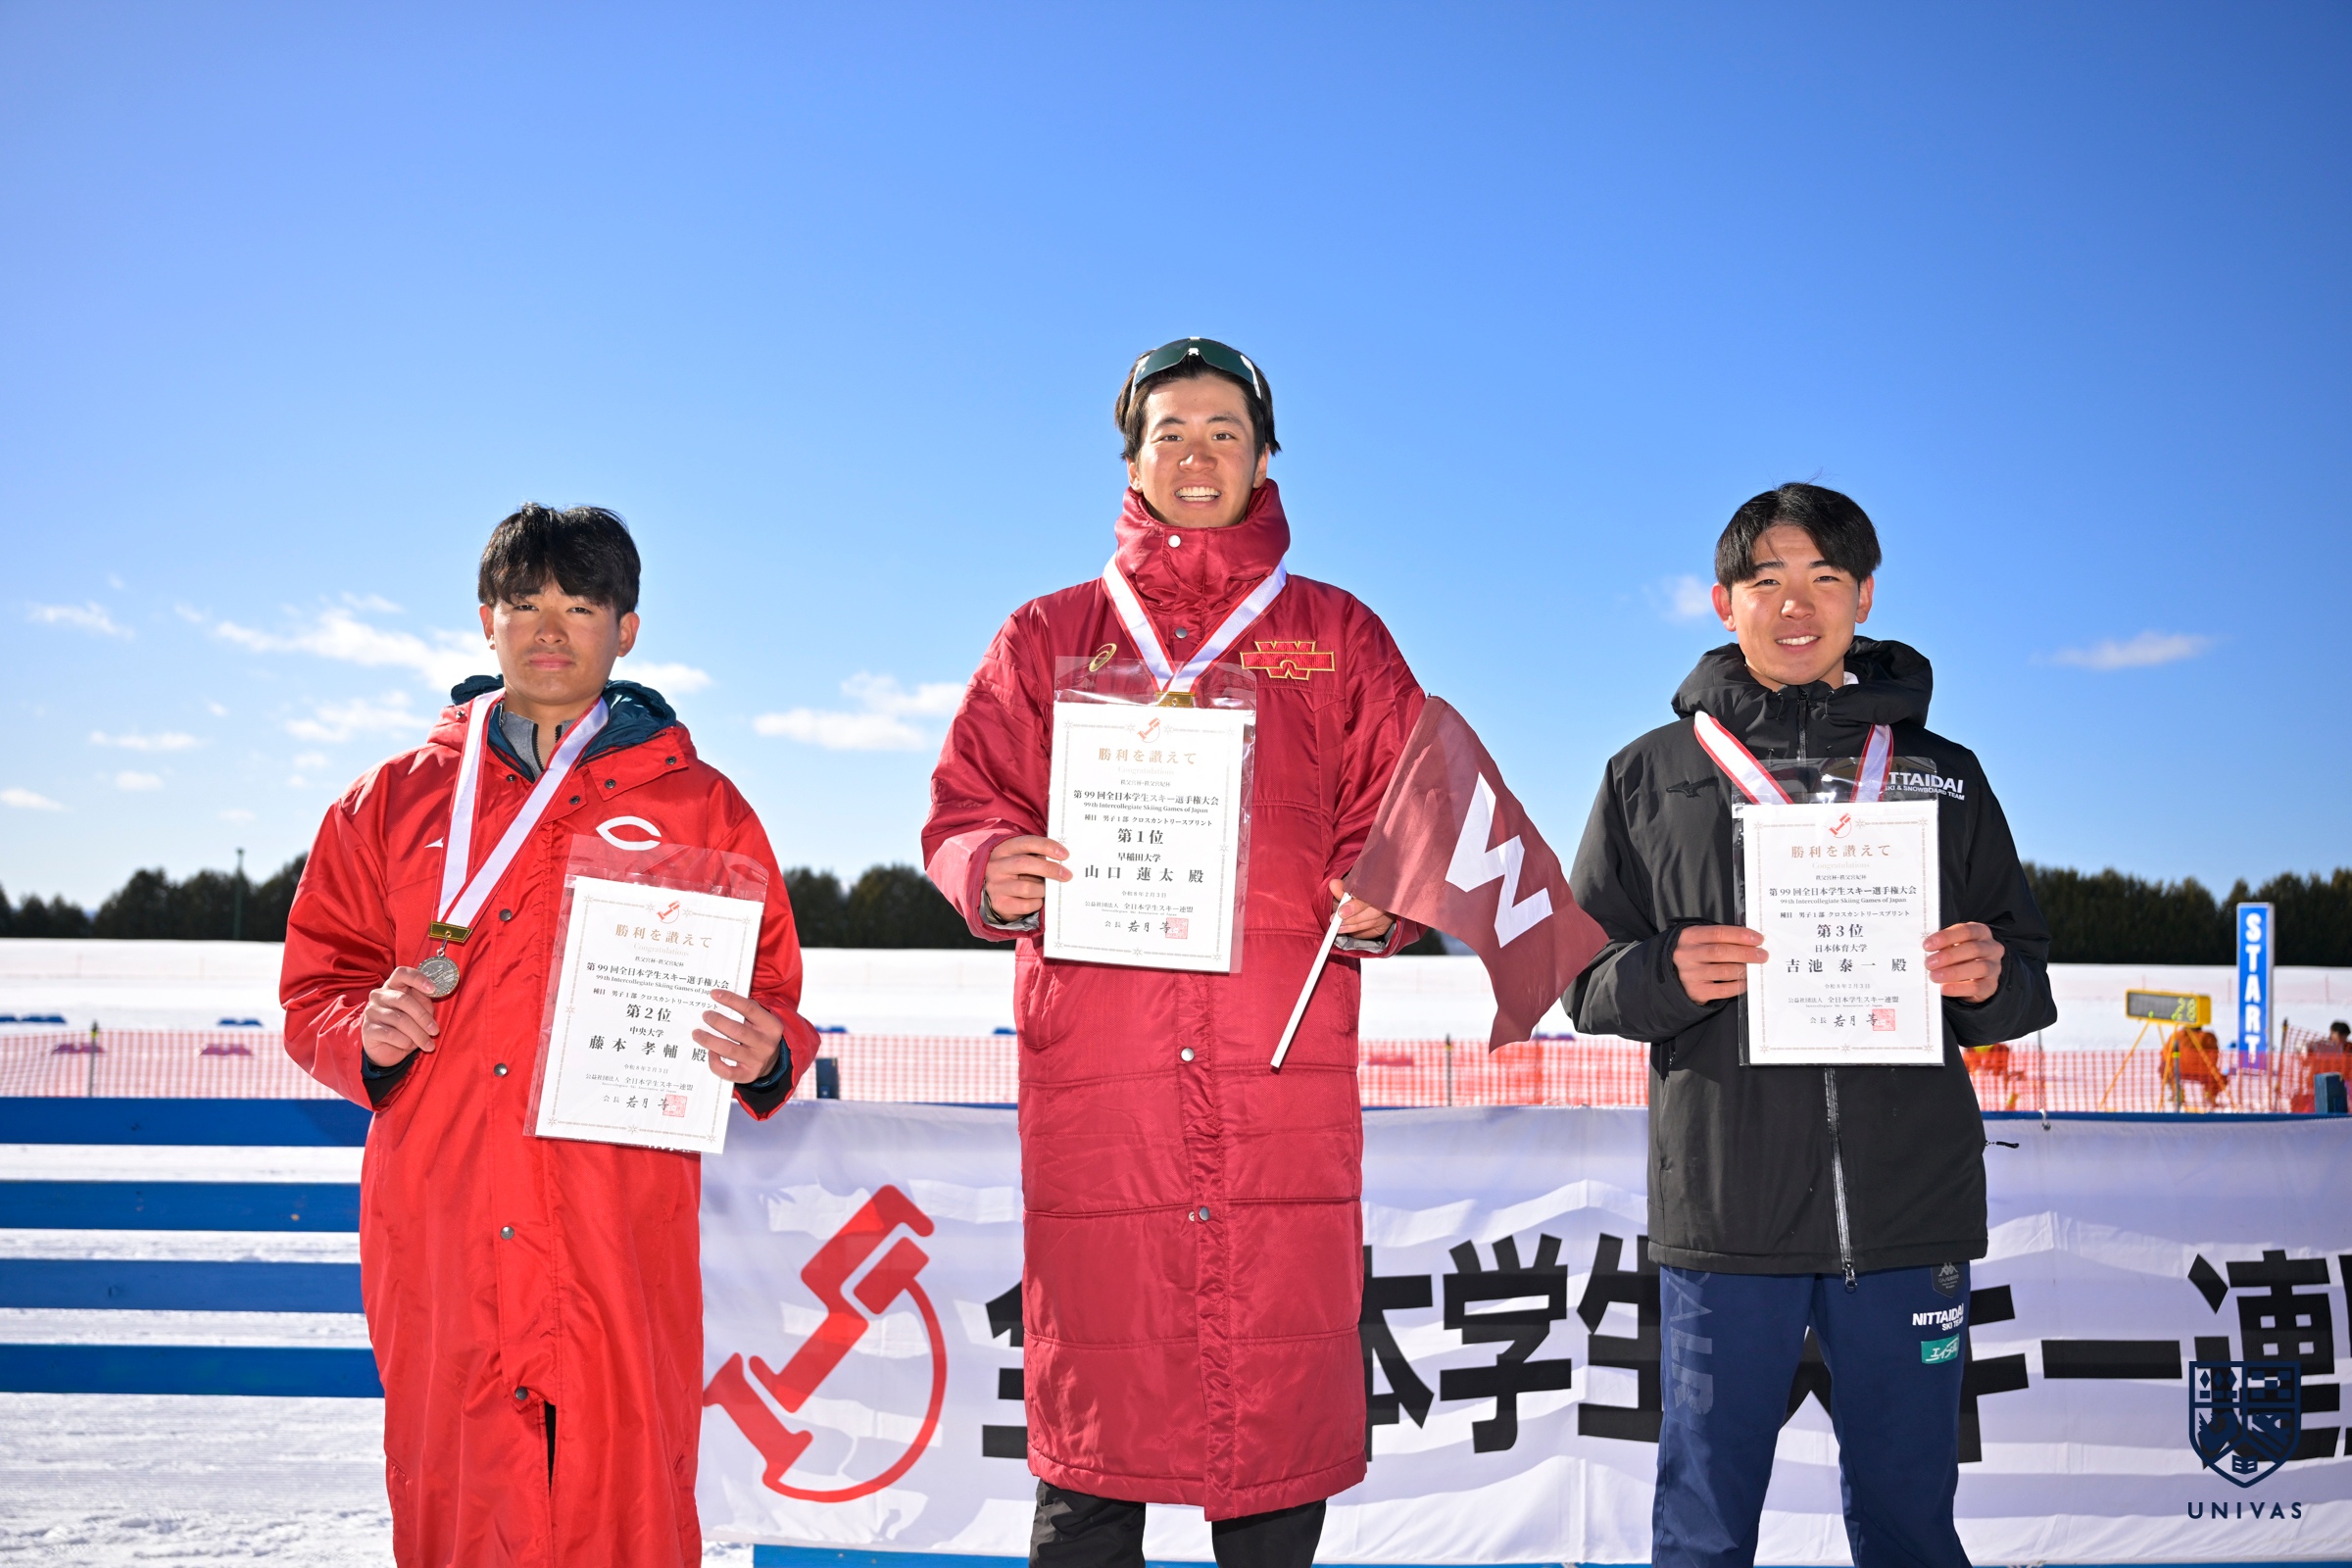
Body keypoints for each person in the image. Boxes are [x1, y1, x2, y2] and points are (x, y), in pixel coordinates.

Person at [923, 339, 1425, 1568]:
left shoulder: (1337, 633)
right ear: (1133, 461)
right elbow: (964, 803)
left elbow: (1408, 814)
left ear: (1264, 457)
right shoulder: (1048, 632)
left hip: (1277, 1081)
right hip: (1109, 1087)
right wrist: (986, 864)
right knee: (1094, 1443)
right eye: (1171, 434)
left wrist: (1384, 901)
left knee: (1271, 1436)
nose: (1198, 456)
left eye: (1223, 433)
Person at [281, 505, 820, 1567]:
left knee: (622, 1497)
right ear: (485, 621)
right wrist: (364, 1032)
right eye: (524, 604)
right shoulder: (390, 801)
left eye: (579, 606)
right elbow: (316, 987)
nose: (548, 629)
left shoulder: (702, 805)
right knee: (461, 1491)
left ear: (627, 629)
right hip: (444, 1217)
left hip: (616, 1219)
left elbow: (773, 990)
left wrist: (767, 1053)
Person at [1564, 483, 2056, 1568]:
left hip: (1907, 1212)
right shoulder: (1651, 774)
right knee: (1703, 1527)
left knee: (1911, 1523)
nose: (1797, 604)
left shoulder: (1946, 776)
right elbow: (1580, 975)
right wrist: (1662, 972)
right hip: (1725, 1211)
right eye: (1768, 580)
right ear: (1723, 602)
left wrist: (1986, 978)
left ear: (1864, 596)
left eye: (1825, 578)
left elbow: (2027, 978)